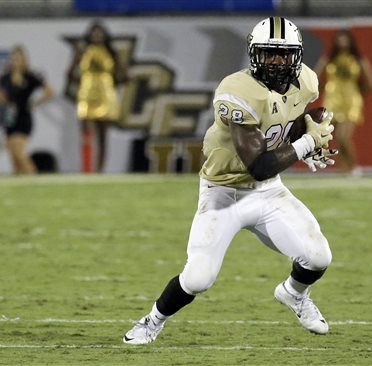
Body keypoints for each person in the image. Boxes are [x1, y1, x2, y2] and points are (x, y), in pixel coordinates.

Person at [123, 17, 337, 345]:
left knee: (319, 256)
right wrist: (306, 144)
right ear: (254, 55)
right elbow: (259, 164)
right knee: (197, 278)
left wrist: (305, 133)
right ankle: (152, 320)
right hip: (223, 194)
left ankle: (294, 294)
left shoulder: (306, 81)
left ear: (297, 56)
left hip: (267, 194)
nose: (275, 61)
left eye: (283, 54)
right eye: (267, 54)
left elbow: (286, 124)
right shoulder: (238, 91)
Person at [315, 29, 372, 175]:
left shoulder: (358, 59)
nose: (342, 42)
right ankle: (344, 169)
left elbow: (371, 83)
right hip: (332, 101)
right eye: (340, 39)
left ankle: (354, 166)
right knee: (336, 137)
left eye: (345, 39)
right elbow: (317, 76)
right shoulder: (329, 59)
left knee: (344, 136)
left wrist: (357, 92)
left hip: (350, 101)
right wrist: (325, 88)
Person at [0, 46, 54, 174]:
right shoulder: (6, 77)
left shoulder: (29, 76)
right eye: (13, 58)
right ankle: (19, 184)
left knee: (19, 152)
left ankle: (33, 178)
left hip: (23, 117)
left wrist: (35, 103)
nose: (15, 61)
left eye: (18, 58)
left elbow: (50, 91)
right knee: (13, 156)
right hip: (10, 117)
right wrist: (3, 102)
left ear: (24, 59)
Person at [75, 22, 126, 173]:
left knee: (102, 136)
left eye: (100, 33)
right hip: (87, 95)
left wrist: (111, 81)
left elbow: (124, 75)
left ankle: (99, 170)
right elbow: (70, 73)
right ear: (89, 35)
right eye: (94, 33)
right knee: (86, 134)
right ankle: (86, 168)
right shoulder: (83, 51)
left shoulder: (111, 52)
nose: (97, 36)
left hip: (104, 96)